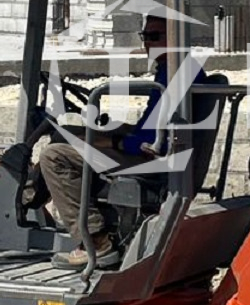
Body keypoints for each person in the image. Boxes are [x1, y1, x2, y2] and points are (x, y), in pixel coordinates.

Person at [36, 16, 176, 266]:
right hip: (155, 152)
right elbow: (158, 127)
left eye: (155, 37)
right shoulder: (176, 73)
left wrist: (116, 143)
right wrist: (122, 130)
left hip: (148, 159)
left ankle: (95, 241)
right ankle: (35, 195)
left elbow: (153, 142)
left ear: (176, 37)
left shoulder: (172, 79)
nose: (148, 44)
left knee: (54, 156)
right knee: (66, 130)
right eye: (145, 37)